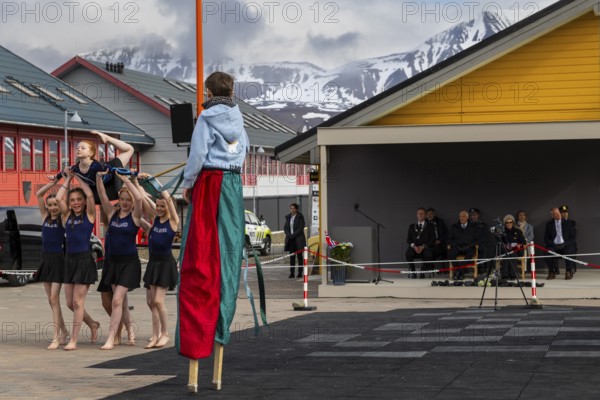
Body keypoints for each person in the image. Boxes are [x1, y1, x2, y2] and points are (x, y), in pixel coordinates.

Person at [178, 71, 249, 361]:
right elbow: (242, 148)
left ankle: (199, 335)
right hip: (232, 183)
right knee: (228, 250)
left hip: (210, 182)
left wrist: (187, 183)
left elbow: (197, 154)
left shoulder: (206, 119)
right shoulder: (238, 117)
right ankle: (220, 325)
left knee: (202, 253)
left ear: (208, 92)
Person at [96, 172, 143, 350]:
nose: (125, 202)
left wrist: (127, 181)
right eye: (122, 199)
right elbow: (101, 196)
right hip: (113, 263)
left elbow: (139, 198)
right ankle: (130, 331)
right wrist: (99, 179)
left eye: (127, 200)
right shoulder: (112, 214)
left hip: (129, 263)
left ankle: (111, 337)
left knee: (116, 300)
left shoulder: (135, 217)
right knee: (121, 301)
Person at [57, 170, 100, 351]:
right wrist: (67, 179)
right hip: (69, 260)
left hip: (84, 259)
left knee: (77, 302)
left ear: (83, 202)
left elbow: (90, 194)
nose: (75, 203)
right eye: (72, 200)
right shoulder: (67, 216)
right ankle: (92, 323)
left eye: (78, 200)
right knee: (69, 303)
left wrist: (79, 177)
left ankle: (73, 339)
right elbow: (59, 199)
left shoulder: (89, 215)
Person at [138, 179, 179, 349]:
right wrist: (134, 183)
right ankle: (155, 335)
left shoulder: (173, 222)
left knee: (158, 301)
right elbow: (141, 197)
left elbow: (167, 199)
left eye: (163, 206)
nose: (160, 209)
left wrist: (156, 184)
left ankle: (165, 334)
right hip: (153, 264)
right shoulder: (155, 222)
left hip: (165, 264)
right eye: (158, 206)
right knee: (150, 301)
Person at [54, 130, 134, 208]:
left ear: (90, 153)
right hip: (97, 186)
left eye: (83, 148)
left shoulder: (96, 166)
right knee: (102, 206)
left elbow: (114, 169)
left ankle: (107, 138)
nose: (78, 149)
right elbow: (64, 171)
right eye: (77, 148)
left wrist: (131, 173)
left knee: (130, 149)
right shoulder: (76, 168)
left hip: (111, 175)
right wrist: (56, 177)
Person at [35, 178, 69, 350]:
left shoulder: (62, 220)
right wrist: (54, 181)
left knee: (54, 298)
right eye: (50, 205)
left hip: (58, 260)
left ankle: (56, 337)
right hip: (45, 260)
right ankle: (64, 331)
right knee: (51, 300)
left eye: (56, 204)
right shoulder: (44, 218)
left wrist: (65, 181)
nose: (53, 207)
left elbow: (64, 202)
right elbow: (39, 194)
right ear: (47, 207)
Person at [544, 207, 577, 280]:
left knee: (569, 251)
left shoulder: (568, 223)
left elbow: (573, 237)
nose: (558, 215)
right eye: (555, 214)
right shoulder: (549, 224)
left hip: (565, 245)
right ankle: (551, 272)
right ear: (552, 216)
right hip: (554, 245)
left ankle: (568, 271)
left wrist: (565, 244)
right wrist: (553, 245)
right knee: (547, 252)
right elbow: (546, 239)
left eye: (559, 213)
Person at [447, 210, 478, 280]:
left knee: (470, 253)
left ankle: (459, 272)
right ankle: (460, 271)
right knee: (451, 253)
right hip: (457, 247)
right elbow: (449, 240)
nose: (461, 218)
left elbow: (477, 239)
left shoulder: (473, 227)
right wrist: (456, 245)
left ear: (467, 218)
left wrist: (469, 245)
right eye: (460, 216)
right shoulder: (454, 227)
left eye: (463, 216)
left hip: (468, 247)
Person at [406, 207, 436, 279]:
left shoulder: (430, 226)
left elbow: (433, 239)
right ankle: (413, 272)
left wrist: (423, 246)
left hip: (425, 247)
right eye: (418, 213)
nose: (420, 215)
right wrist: (414, 246)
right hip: (414, 247)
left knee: (429, 254)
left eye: (422, 214)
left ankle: (422, 271)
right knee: (408, 254)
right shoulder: (412, 226)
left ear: (425, 215)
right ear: (416, 215)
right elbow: (408, 239)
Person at [284, 203, 307, 278]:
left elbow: (301, 228)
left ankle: (300, 272)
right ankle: (292, 272)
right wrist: (289, 235)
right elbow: (285, 228)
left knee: (299, 256)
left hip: (298, 239)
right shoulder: (288, 217)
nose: (292, 210)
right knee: (292, 257)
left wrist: (293, 235)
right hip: (290, 240)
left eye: (293, 208)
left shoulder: (300, 217)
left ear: (296, 209)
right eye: (291, 208)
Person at [500, 214, 526, 279]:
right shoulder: (502, 232)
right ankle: (505, 275)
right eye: (507, 223)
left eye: (510, 222)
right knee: (507, 254)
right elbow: (499, 241)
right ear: (505, 223)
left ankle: (513, 275)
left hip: (516, 250)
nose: (509, 224)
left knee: (512, 253)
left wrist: (519, 245)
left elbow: (523, 241)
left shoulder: (518, 231)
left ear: (513, 223)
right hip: (505, 250)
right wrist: (505, 245)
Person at [559, 204, 578, 273]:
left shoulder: (572, 223)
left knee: (570, 248)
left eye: (566, 212)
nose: (564, 214)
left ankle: (569, 270)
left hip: (569, 244)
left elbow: (573, 236)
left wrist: (565, 243)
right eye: (562, 212)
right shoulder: (557, 223)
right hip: (559, 244)